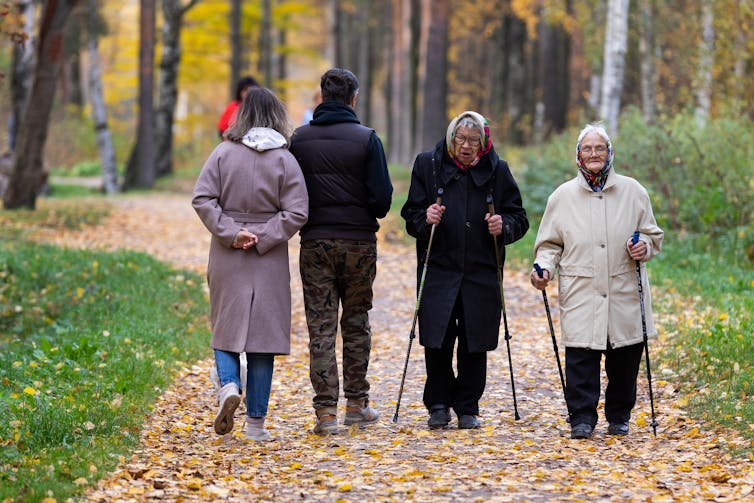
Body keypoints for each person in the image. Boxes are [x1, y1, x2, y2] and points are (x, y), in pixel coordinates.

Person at [530, 122, 663, 439]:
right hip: (581, 290)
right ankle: (581, 418)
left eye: (599, 148)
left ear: (610, 153)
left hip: (624, 289)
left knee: (625, 359)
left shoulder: (634, 191)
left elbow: (652, 234)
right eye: (587, 149)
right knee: (581, 359)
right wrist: (543, 268)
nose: (594, 154)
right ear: (578, 155)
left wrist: (644, 245)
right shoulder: (562, 197)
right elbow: (549, 245)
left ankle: (619, 416)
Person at [193, 87, 309, 441]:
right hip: (268, 256)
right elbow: (298, 211)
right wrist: (265, 235)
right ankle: (256, 424)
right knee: (263, 339)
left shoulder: (223, 153)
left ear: (241, 116)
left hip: (229, 253)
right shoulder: (285, 160)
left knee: (224, 326)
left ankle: (228, 384)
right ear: (277, 116)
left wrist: (232, 232)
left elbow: (203, 198)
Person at [401, 111, 529, 430]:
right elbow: (411, 214)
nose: (467, 147)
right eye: (461, 139)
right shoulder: (428, 165)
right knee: (438, 338)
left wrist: (505, 225)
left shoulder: (497, 170)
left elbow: (519, 217)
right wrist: (424, 217)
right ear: (450, 139)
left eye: (474, 141)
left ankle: (468, 406)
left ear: (484, 142)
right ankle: (439, 404)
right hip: (439, 267)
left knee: (476, 339)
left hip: (481, 270)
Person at [289, 68, 393, 435]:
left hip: (315, 242)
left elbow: (291, 194)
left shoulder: (299, 140)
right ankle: (357, 403)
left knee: (320, 326)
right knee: (356, 322)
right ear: (354, 97)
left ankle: (325, 414)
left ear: (322, 97)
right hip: (358, 243)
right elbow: (382, 200)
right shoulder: (367, 140)